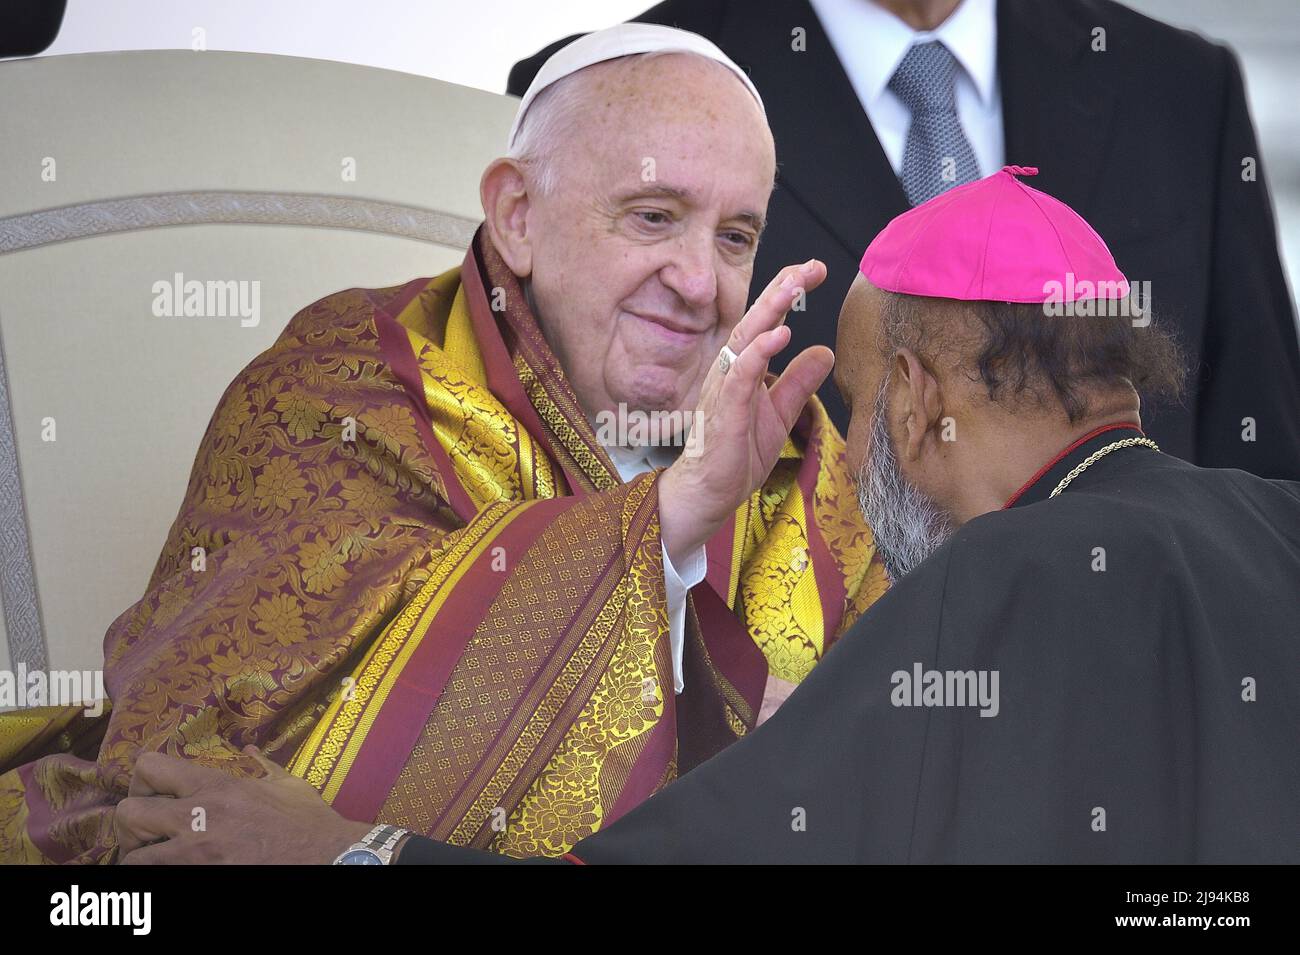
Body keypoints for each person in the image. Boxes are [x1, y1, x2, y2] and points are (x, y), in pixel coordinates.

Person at [0, 24, 888, 864]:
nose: (701, 283)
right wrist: (667, 527)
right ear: (517, 216)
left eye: (736, 237)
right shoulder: (344, 385)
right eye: (654, 217)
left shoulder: (795, 450)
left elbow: (901, 784)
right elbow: (200, 771)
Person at [511, 0, 1300, 480]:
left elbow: (1265, 465)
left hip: (1143, 714)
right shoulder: (595, 94)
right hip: (778, 725)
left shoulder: (1182, 90)